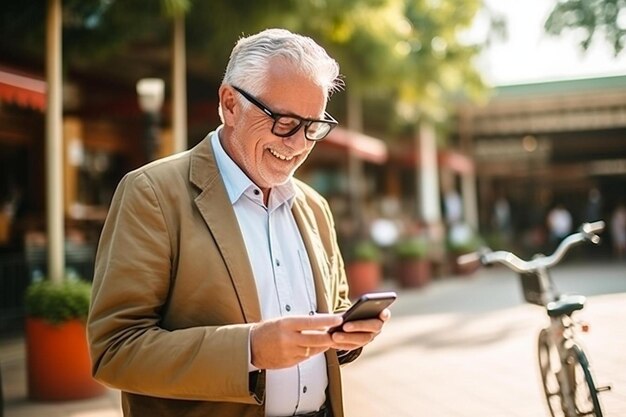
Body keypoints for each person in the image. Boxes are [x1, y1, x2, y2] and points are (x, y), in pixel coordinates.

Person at [87, 28, 390, 417]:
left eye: (312, 127)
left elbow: (334, 309)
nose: (297, 145)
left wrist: (348, 336)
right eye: (283, 122)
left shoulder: (314, 205)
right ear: (230, 105)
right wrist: (250, 349)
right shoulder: (152, 193)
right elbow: (115, 350)